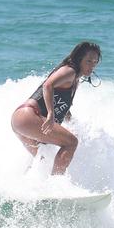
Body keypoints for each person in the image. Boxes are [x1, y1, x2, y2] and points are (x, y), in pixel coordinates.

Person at [11, 41, 101, 175]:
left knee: (42, 158)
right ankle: (56, 185)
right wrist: (51, 114)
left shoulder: (74, 80)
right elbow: (48, 85)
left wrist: (71, 121)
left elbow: (62, 105)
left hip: (20, 120)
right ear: (79, 59)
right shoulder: (70, 71)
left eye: (95, 62)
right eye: (89, 61)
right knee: (71, 143)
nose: (92, 66)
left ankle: (28, 187)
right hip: (29, 115)